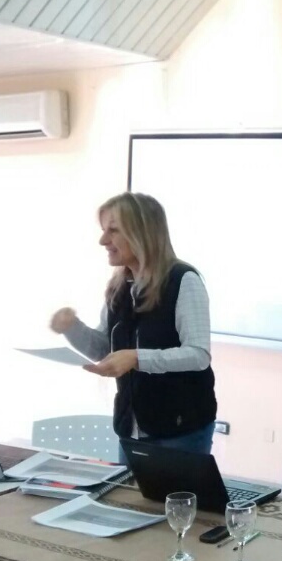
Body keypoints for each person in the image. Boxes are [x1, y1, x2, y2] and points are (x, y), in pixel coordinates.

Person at [51, 192, 218, 460]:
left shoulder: (183, 280)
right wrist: (72, 328)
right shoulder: (119, 286)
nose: (103, 240)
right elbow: (107, 351)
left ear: (142, 232)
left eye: (113, 231)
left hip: (180, 429)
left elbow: (198, 355)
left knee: (171, 504)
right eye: (104, 231)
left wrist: (136, 358)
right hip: (131, 428)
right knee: (123, 502)